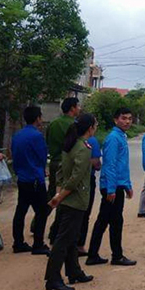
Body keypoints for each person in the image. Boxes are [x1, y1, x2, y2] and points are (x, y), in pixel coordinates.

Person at [44, 114, 98, 290]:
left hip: (67, 198)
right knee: (63, 241)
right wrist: (59, 196)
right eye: (95, 125)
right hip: (75, 200)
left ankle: (74, 271)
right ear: (90, 127)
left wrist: (60, 193)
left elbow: (60, 172)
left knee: (72, 238)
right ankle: (52, 278)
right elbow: (76, 179)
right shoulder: (84, 148)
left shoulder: (70, 145)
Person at [86, 107, 136, 267]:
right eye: (123, 118)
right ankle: (115, 256)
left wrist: (126, 185)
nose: (127, 121)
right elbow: (110, 165)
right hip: (111, 187)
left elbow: (122, 166)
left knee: (108, 221)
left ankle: (96, 255)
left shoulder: (121, 136)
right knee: (111, 221)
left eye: (129, 118)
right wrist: (112, 189)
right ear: (116, 120)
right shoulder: (114, 138)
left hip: (116, 185)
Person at [11, 105, 51, 255]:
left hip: (22, 177)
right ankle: (38, 244)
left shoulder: (17, 135)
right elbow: (42, 156)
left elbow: (13, 154)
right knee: (41, 211)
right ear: (37, 118)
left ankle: (18, 243)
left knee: (20, 210)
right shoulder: (37, 136)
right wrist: (42, 170)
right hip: (35, 178)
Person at [45, 97, 81, 242]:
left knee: (52, 195)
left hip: (54, 162)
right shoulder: (75, 126)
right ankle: (56, 231)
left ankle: (38, 223)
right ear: (72, 108)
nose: (79, 109)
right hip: (66, 165)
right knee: (64, 197)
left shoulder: (53, 123)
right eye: (78, 106)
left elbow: (48, 142)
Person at [76, 133, 102, 256]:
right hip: (86, 181)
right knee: (84, 213)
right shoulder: (91, 141)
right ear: (91, 127)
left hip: (70, 179)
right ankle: (79, 246)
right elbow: (96, 163)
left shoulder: (71, 139)